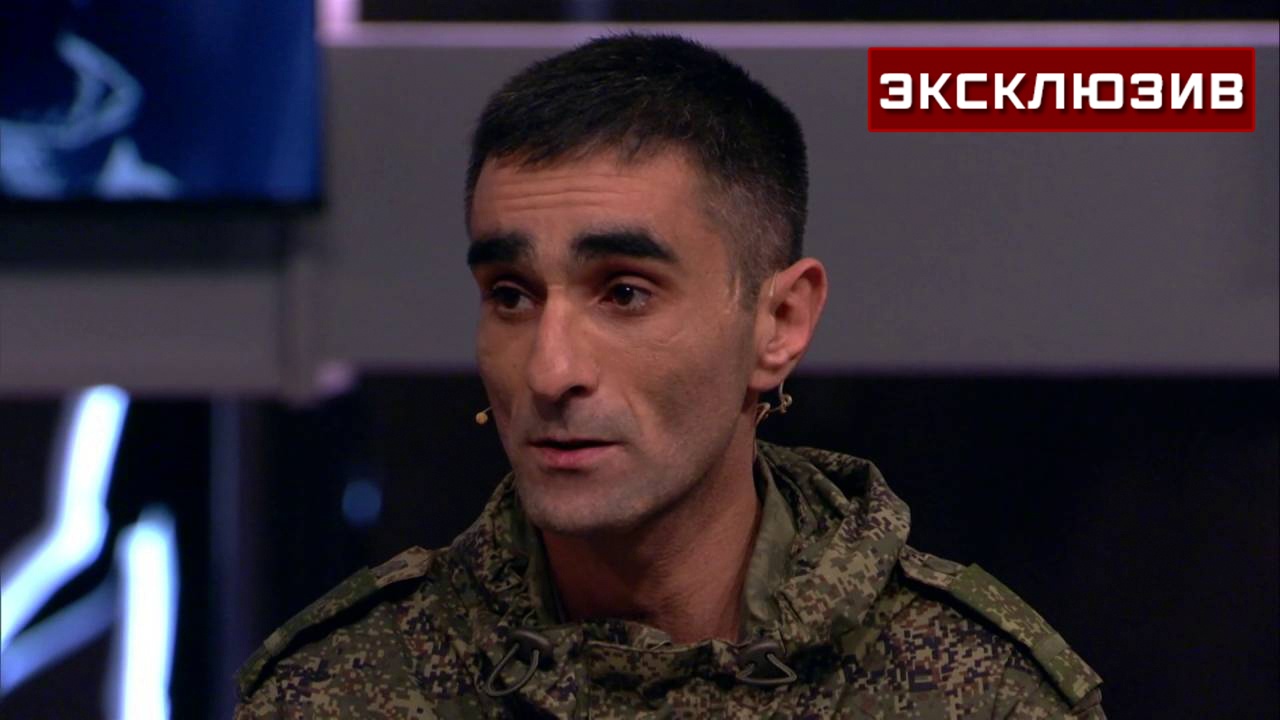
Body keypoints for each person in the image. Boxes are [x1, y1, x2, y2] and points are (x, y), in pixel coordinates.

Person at [234, 33, 1104, 718]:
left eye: (624, 292)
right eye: (511, 295)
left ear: (779, 324)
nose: (551, 371)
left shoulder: (974, 694)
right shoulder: (339, 691)